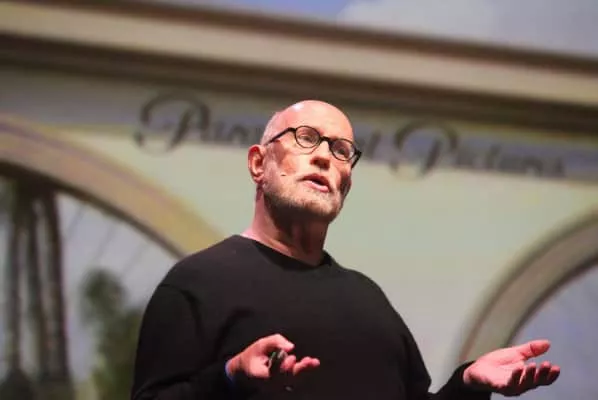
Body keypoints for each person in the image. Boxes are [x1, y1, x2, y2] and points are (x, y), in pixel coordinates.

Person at [130, 100, 560, 399]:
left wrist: (468, 385)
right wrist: (229, 378)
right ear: (259, 163)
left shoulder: (368, 298)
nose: (324, 157)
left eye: (340, 150)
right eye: (305, 138)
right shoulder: (198, 284)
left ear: (347, 183)